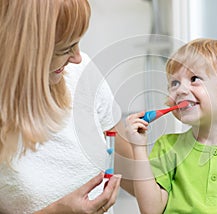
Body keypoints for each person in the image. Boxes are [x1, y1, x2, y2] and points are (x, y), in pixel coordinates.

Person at [0, 0, 131, 213]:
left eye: (78, 42)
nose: (78, 58)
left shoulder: (82, 75)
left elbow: (135, 173)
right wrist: (57, 211)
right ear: (26, 50)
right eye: (66, 48)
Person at [125, 38, 217, 213]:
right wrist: (138, 147)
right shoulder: (167, 147)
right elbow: (151, 210)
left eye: (194, 78)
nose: (181, 90)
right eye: (174, 83)